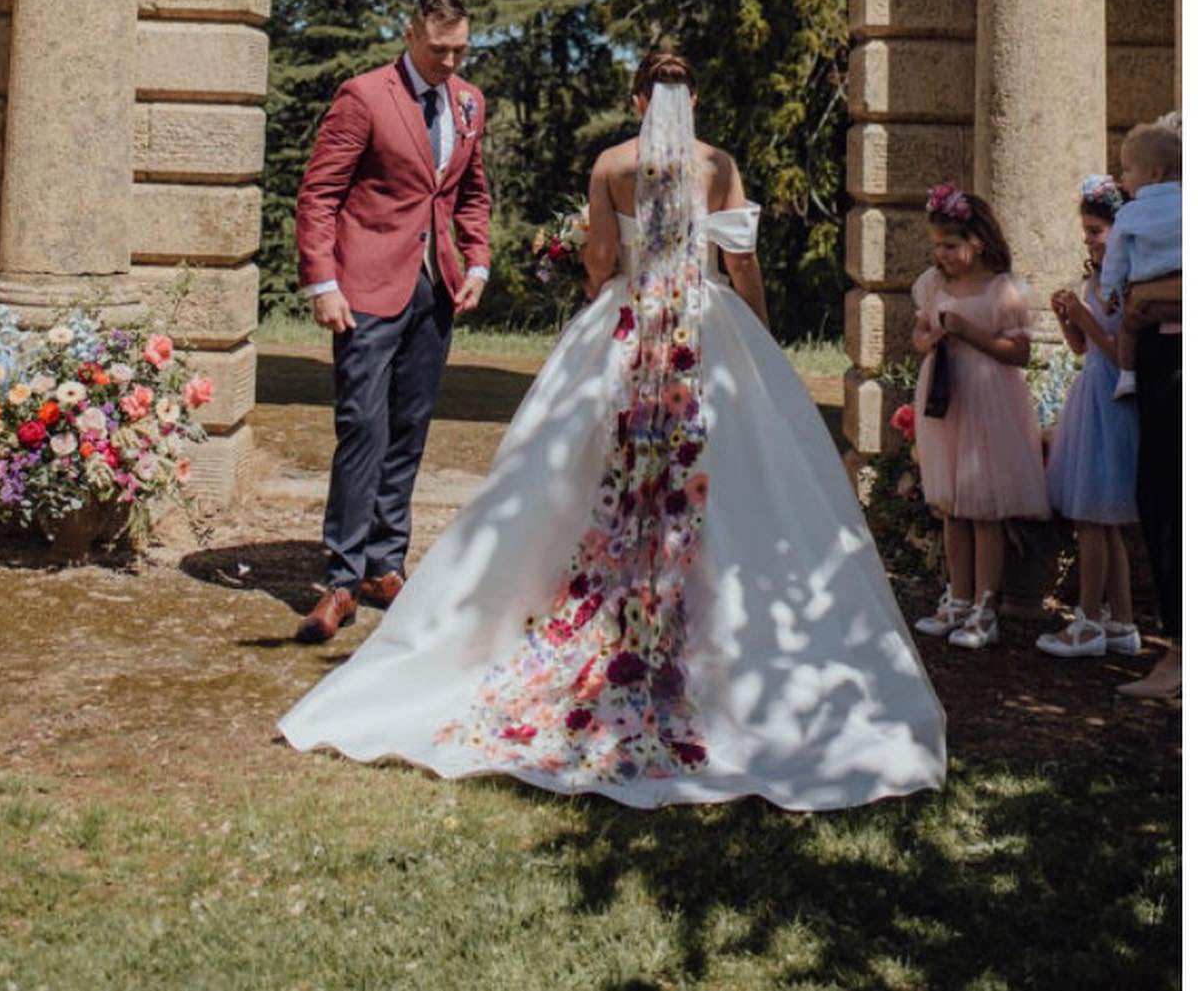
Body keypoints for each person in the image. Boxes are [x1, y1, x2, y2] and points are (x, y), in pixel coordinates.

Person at [279, 51, 946, 809]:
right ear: (690, 96)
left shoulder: (611, 165)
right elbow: (742, 260)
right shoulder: (719, 163)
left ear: (637, 99)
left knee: (581, 474)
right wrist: (758, 335)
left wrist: (607, 283)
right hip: (705, 329)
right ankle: (726, 642)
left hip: (629, 328)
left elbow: (600, 260)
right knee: (740, 488)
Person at [290, 0, 491, 645]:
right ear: (410, 36)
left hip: (435, 293)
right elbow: (319, 193)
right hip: (365, 287)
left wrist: (478, 263)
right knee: (361, 427)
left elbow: (471, 192)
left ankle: (386, 563)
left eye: (461, 49)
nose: (451, 63)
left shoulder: (468, 102)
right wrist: (323, 281)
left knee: (408, 428)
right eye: (440, 50)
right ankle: (341, 579)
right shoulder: (364, 95)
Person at [910, 183, 1049, 652]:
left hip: (988, 398)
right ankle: (958, 595)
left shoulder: (1001, 290)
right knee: (951, 504)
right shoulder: (933, 285)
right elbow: (919, 336)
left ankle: (986, 605)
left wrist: (969, 331)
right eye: (937, 246)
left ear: (979, 242)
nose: (942, 254)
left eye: (950, 245)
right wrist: (932, 339)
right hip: (944, 396)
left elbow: (1020, 352)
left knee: (984, 505)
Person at [1035, 175, 1141, 658]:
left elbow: (1123, 353)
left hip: (1114, 404)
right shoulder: (1095, 279)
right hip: (1090, 396)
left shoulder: (1131, 285)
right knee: (1104, 521)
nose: (1090, 241)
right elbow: (1082, 348)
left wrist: (1087, 320)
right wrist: (1067, 319)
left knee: (1093, 520)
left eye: (1097, 231)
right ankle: (1122, 622)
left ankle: (1088, 622)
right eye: (1087, 234)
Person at [1103, 120, 1182, 702]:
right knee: (1157, 496)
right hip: (1158, 358)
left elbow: (1133, 289)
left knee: (1171, 500)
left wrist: (1144, 297)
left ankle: (1180, 654)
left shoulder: (1146, 213)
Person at [1106, 122, 1181, 401]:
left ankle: (1126, 376)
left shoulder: (1131, 213)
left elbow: (1116, 257)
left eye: (1126, 169)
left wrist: (1109, 289)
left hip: (1152, 309)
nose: (1122, 177)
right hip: (1158, 335)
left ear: (1154, 174)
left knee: (1129, 324)